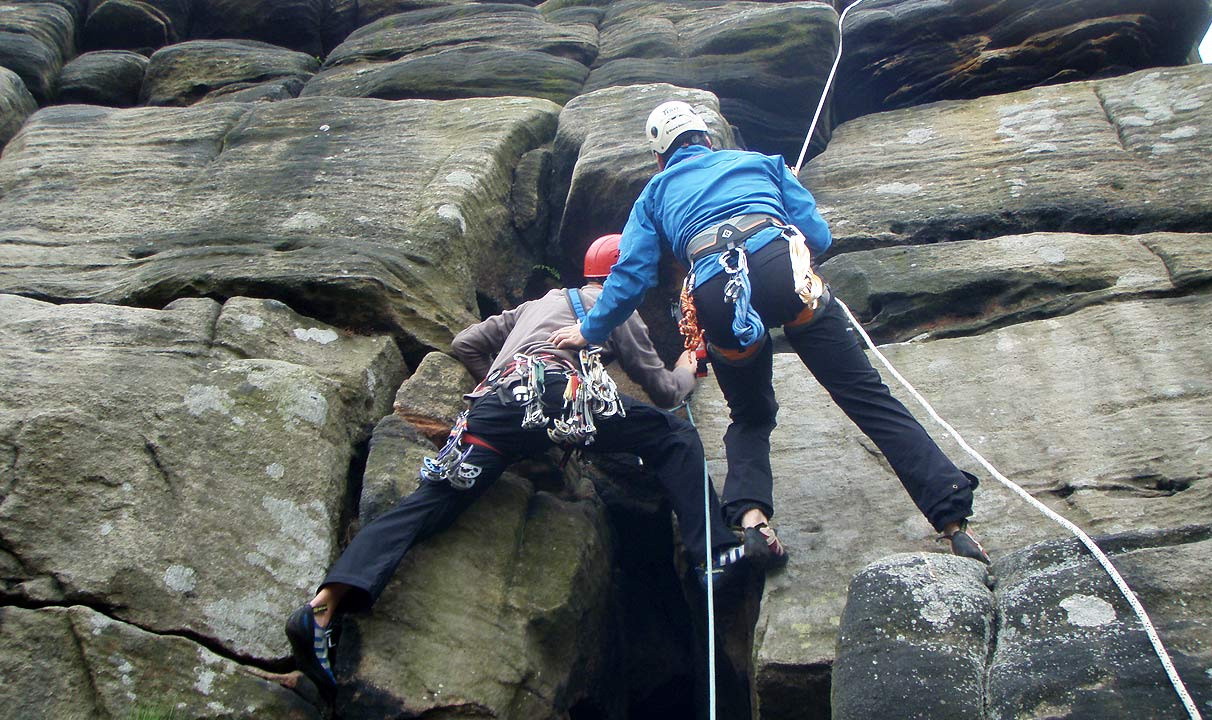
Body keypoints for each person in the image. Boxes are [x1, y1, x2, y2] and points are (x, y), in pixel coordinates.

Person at [285, 233, 752, 703]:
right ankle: (713, 553)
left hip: (492, 411)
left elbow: (465, 342)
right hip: (556, 395)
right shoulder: (614, 305)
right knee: (673, 436)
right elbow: (667, 393)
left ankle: (323, 607)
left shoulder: (536, 304)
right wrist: (688, 366)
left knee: (431, 504)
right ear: (621, 273)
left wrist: (500, 383)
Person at [550, 100, 990, 571]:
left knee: (751, 415)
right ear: (709, 140)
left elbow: (630, 275)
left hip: (718, 291)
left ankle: (754, 520)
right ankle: (952, 522)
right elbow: (818, 238)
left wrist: (587, 330)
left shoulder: (654, 194)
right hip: (784, 270)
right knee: (866, 396)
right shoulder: (762, 163)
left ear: (660, 157)